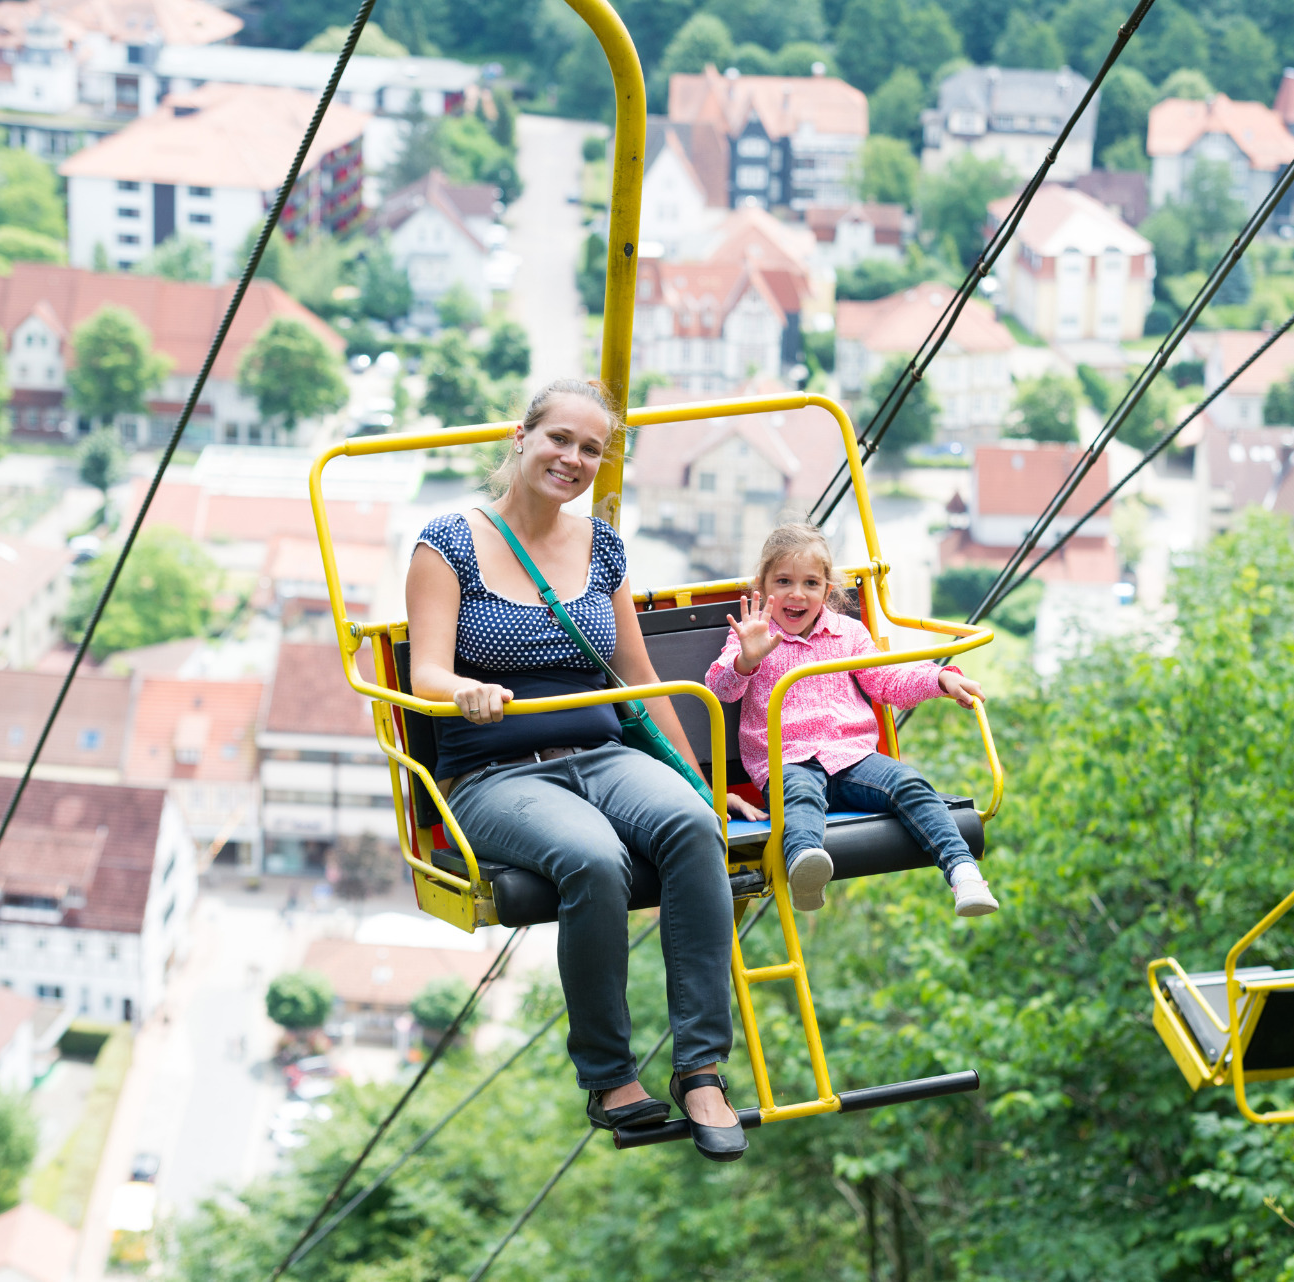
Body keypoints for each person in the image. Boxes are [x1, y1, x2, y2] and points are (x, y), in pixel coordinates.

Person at [404, 378, 747, 1162]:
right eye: (560, 438)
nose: (574, 458)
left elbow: (639, 674)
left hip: (601, 753)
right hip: (495, 774)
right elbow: (424, 674)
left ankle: (700, 1067)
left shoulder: (603, 548)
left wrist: (698, 779)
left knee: (694, 828)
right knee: (593, 859)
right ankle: (609, 1073)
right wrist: (467, 691)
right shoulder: (447, 543)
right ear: (519, 438)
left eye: (592, 449)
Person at [706, 523, 1000, 917]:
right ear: (763, 587)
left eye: (810, 583)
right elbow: (721, 688)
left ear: (827, 591)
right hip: (787, 761)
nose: (797, 594)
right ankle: (806, 865)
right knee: (799, 796)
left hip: (853, 759)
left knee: (908, 782)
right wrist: (747, 658)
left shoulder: (848, 634)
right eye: (783, 581)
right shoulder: (753, 635)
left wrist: (940, 678)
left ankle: (964, 874)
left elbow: (887, 680)